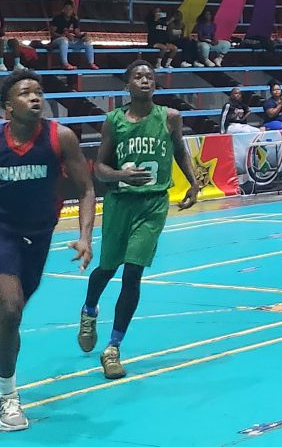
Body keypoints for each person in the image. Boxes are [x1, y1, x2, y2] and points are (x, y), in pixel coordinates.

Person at [0, 69, 95, 432]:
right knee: (10, 307)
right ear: (9, 107)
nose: (36, 98)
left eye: (39, 92)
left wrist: (86, 236)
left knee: (11, 315)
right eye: (26, 93)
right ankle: (7, 397)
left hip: (39, 235)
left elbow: (86, 190)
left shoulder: (62, 138)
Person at [77, 60, 199, 379]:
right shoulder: (114, 121)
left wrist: (193, 182)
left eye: (150, 76)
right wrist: (121, 175)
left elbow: (180, 151)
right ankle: (89, 309)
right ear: (127, 85)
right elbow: (99, 168)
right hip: (120, 202)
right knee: (107, 268)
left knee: (133, 272)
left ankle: (113, 348)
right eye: (138, 76)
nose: (145, 80)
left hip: (153, 203)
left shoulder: (170, 117)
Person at [49, 0, 97, 71]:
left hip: (70, 41)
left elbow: (77, 33)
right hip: (58, 41)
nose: (68, 11)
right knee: (64, 40)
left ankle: (91, 63)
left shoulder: (74, 19)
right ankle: (65, 63)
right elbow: (52, 33)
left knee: (88, 42)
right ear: (63, 10)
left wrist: (83, 36)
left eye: (70, 9)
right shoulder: (57, 18)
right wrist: (63, 36)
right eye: (67, 9)